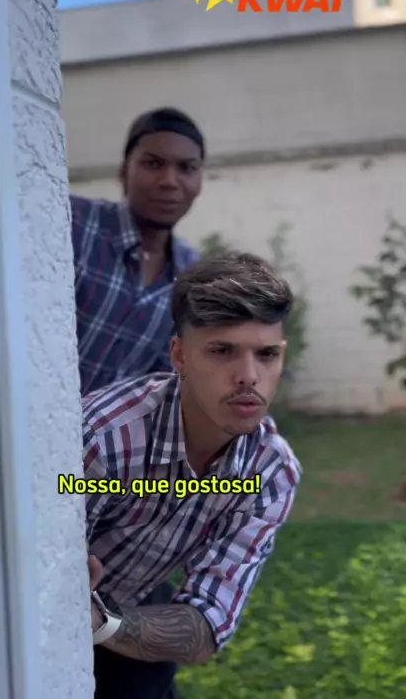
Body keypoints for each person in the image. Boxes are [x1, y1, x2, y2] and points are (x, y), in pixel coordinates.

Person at [82, 252, 303, 699]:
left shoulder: (270, 473)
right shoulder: (104, 439)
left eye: (266, 354)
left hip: (125, 605)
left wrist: (101, 623)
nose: (249, 377)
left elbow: (206, 622)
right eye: (222, 351)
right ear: (179, 355)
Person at [70, 107, 205, 397]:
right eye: (153, 164)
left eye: (187, 168)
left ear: (200, 182)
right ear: (123, 172)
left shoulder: (191, 276)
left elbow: (163, 382)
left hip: (108, 428)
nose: (169, 181)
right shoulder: (74, 225)